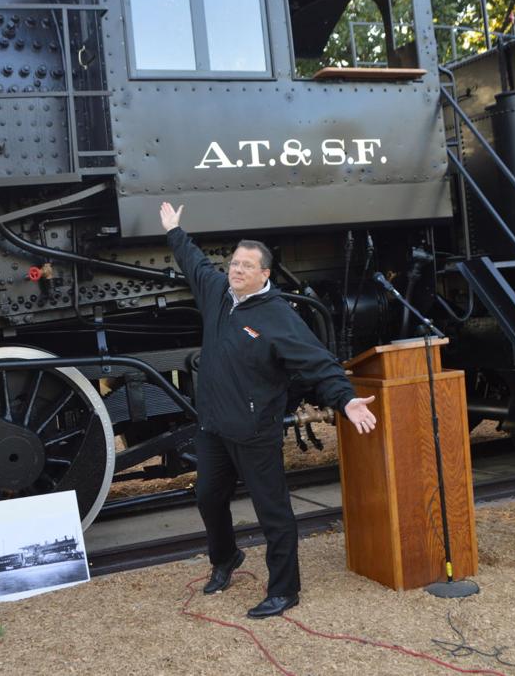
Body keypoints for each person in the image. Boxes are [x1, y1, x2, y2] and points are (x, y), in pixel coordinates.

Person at [159, 201, 377, 618]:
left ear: (264, 274)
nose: (236, 270)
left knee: (272, 513)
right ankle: (225, 559)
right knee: (207, 498)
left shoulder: (278, 317)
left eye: (246, 266)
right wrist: (174, 230)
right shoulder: (218, 294)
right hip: (214, 427)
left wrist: (345, 399)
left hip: (256, 430)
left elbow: (319, 362)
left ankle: (284, 590)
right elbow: (193, 262)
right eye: (234, 263)